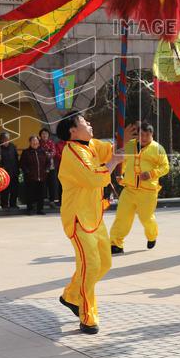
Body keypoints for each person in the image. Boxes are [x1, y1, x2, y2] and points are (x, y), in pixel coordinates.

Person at [55, 111, 123, 335]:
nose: (89, 124)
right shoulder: (72, 153)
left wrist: (126, 137)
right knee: (90, 266)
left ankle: (70, 295)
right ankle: (87, 316)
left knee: (104, 264)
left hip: (95, 217)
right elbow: (94, 177)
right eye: (84, 122)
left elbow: (110, 149)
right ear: (72, 130)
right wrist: (113, 162)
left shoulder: (90, 145)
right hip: (78, 219)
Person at [110, 122, 169, 253]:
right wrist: (120, 174)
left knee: (146, 218)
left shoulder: (158, 149)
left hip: (148, 191)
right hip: (129, 189)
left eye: (147, 135)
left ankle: (152, 236)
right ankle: (116, 244)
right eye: (141, 134)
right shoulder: (131, 145)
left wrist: (151, 173)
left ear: (151, 134)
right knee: (122, 217)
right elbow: (124, 161)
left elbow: (165, 167)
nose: (144, 137)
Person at [19, 135, 49, 215]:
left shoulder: (43, 151)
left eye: (36, 141)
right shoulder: (26, 152)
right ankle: (30, 209)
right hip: (31, 177)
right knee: (30, 194)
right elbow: (22, 164)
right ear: (30, 142)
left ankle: (40, 209)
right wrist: (27, 172)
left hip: (42, 177)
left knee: (41, 194)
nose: (35, 143)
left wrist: (46, 170)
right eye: (33, 141)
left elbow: (48, 162)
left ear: (38, 142)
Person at [0, 132, 20, 210]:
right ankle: (4, 204)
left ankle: (13, 204)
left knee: (14, 189)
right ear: (1, 140)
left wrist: (18, 170)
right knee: (5, 190)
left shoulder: (12, 146)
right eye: (4, 139)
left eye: (7, 139)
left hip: (14, 172)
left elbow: (16, 159)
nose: (5, 141)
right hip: (4, 173)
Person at [39, 128, 62, 207]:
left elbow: (54, 152)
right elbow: (40, 152)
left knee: (52, 184)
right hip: (42, 167)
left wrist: (48, 154)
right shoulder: (38, 143)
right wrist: (47, 154)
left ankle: (52, 201)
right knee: (42, 184)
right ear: (40, 135)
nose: (44, 135)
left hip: (52, 167)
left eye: (46, 133)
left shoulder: (51, 143)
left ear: (48, 135)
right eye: (43, 134)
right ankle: (41, 200)